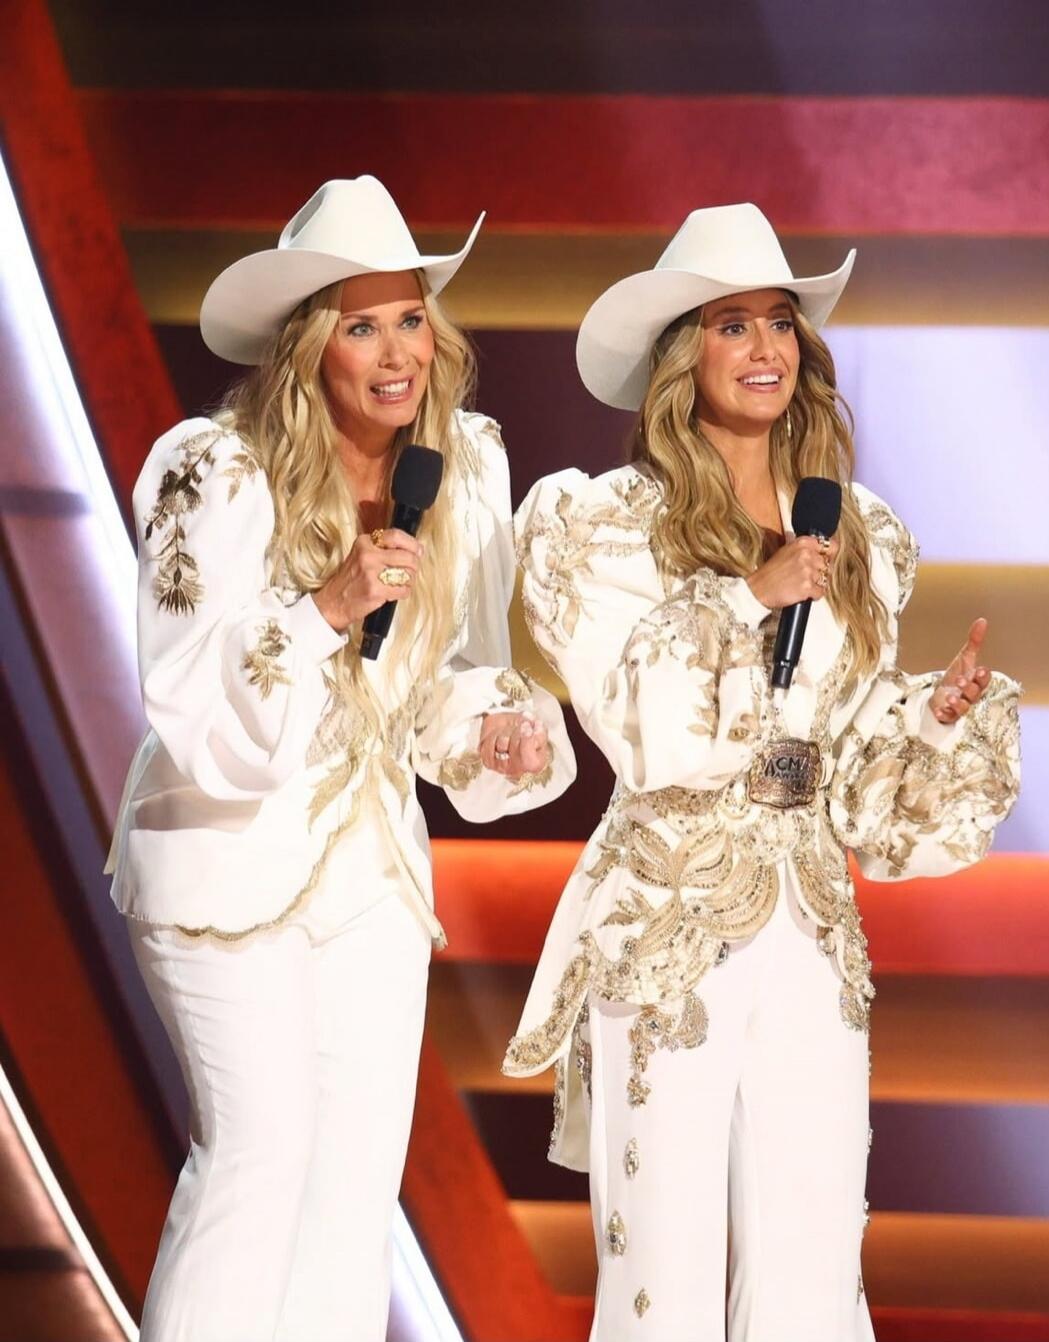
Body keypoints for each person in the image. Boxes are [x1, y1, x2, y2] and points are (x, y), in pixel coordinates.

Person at [502, 203, 1020, 1341]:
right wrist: (751, 594)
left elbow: (844, 758)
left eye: (780, 322)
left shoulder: (857, 533)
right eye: (733, 325)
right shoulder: (602, 527)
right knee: (662, 1273)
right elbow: (634, 726)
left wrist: (928, 718)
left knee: (814, 1254)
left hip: (810, 922)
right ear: (685, 359)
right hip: (667, 919)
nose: (766, 348)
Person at [106, 175, 574, 1342]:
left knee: (355, 1180)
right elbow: (181, 690)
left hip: (368, 869)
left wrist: (493, 731)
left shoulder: (459, 468)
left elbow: (443, 682)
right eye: (361, 325)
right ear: (308, 343)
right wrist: (323, 605)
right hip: (224, 851)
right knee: (263, 1152)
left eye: (410, 318)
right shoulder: (209, 469)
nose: (395, 351)